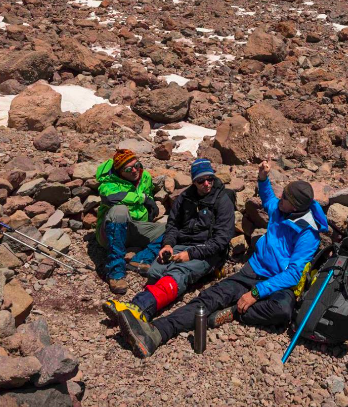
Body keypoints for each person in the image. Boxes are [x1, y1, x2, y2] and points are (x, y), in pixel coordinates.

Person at [118, 159, 328, 358]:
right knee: (208, 299)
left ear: (295, 206)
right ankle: (158, 331)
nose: (280, 198)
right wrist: (263, 178)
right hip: (252, 271)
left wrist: (256, 293)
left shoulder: (308, 233)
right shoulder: (280, 210)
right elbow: (269, 199)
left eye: (285, 198)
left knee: (282, 311)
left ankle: (235, 311)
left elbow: (292, 274)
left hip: (279, 283)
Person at [103, 157, 235, 323]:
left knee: (178, 274)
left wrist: (190, 254)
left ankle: (140, 308)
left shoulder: (223, 201)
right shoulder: (185, 198)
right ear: (194, 181)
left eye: (210, 179)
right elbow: (172, 225)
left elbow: (221, 241)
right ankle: (156, 295)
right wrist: (168, 245)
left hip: (207, 250)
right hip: (182, 245)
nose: (207, 184)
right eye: (201, 181)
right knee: (155, 272)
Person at [95, 149, 165, 295]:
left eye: (137, 165)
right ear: (120, 172)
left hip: (135, 228)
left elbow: (147, 194)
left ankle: (140, 259)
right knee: (119, 210)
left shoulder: (144, 176)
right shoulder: (108, 183)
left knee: (170, 228)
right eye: (129, 169)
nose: (135, 170)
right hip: (111, 232)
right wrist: (144, 199)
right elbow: (111, 198)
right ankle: (115, 272)